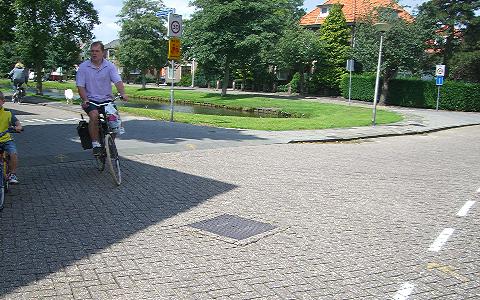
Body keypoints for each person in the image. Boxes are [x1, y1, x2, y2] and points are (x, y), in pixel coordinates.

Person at [76, 41, 128, 156]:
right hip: (90, 100)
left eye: (97, 51)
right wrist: (84, 99)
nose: (94, 54)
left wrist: (123, 93)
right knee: (94, 116)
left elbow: (117, 81)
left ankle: (110, 144)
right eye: (92, 51)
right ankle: (96, 145)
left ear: (103, 52)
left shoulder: (109, 66)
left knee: (114, 122)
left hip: (107, 100)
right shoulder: (84, 67)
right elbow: (80, 86)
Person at [0, 91, 22, 184]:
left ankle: (13, 174)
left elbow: (18, 124)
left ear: (3, 101)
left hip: (6, 139)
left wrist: (18, 127)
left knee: (13, 153)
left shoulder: (7, 113)